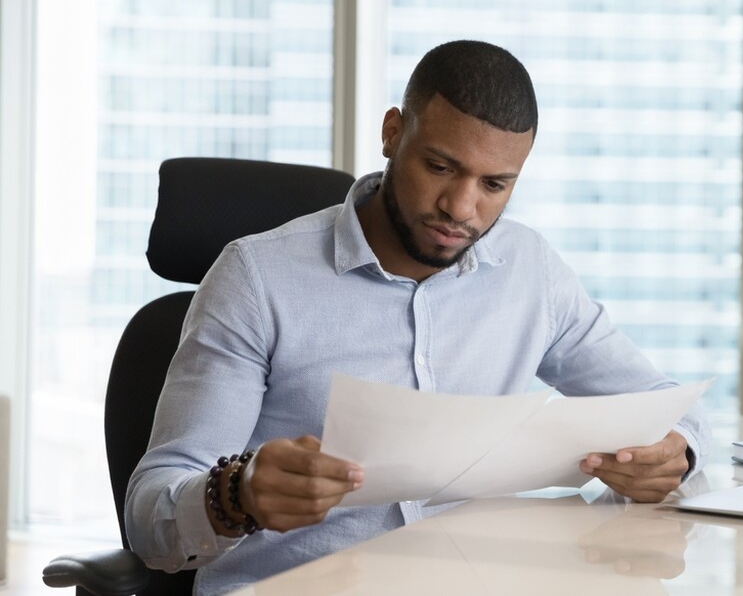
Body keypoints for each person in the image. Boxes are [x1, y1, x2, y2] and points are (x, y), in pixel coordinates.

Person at [126, 39, 712, 595]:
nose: (461, 207)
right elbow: (151, 517)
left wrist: (673, 453)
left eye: (494, 184)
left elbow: (671, 405)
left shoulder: (531, 271)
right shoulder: (256, 279)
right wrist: (238, 495)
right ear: (392, 133)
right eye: (439, 166)